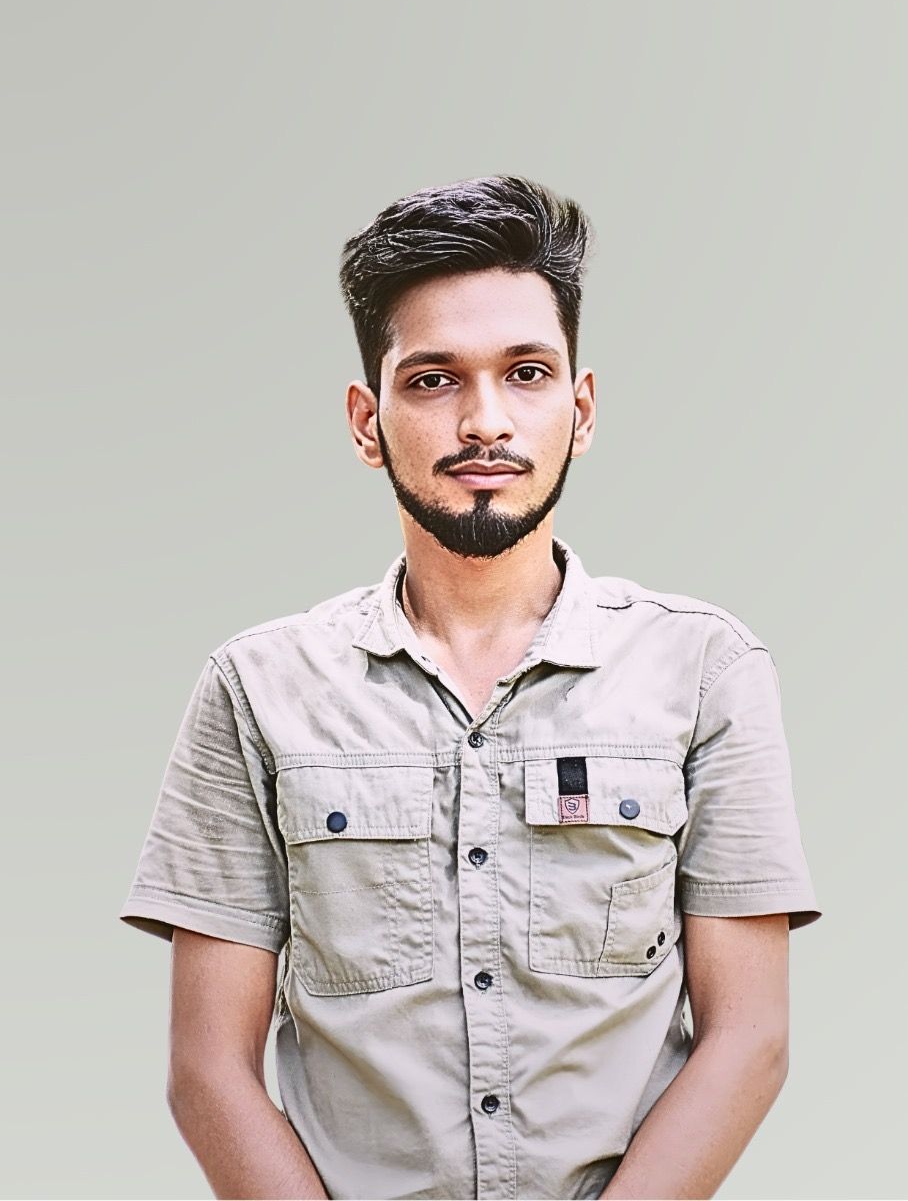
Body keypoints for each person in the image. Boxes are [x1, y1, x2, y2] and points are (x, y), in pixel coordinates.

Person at [119, 174, 822, 1201]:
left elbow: (748, 1037)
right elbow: (206, 1069)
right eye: (433, 379)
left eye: (526, 372)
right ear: (367, 421)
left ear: (579, 410)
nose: (483, 420)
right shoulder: (255, 687)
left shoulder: (705, 670)